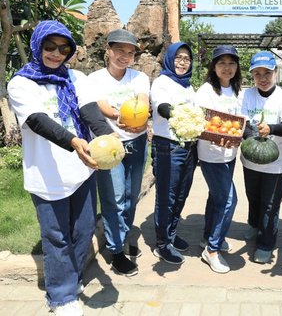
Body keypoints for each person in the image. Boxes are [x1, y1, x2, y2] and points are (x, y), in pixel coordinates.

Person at [7, 21, 113, 316]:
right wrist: (74, 141)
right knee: (56, 236)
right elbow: (38, 121)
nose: (56, 53)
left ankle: (72, 277)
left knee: (82, 232)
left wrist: (107, 136)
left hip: (82, 172)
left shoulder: (76, 77)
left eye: (63, 47)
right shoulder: (21, 83)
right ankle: (61, 296)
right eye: (49, 46)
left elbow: (90, 112)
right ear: (37, 46)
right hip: (47, 174)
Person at [88, 29, 150, 277]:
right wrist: (117, 115)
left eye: (130, 52)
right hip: (109, 145)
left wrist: (141, 118)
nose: (124, 56)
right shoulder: (95, 79)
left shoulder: (139, 78)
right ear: (108, 51)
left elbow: (143, 101)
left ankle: (123, 236)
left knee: (130, 195)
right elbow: (100, 104)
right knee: (113, 196)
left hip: (137, 142)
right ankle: (115, 251)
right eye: (119, 51)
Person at [240, 51, 282, 264]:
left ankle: (266, 244)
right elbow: (242, 123)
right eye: (257, 74)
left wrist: (270, 128)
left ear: (275, 72)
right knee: (253, 196)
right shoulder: (246, 95)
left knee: (270, 204)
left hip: (277, 162)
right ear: (252, 75)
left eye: (267, 73)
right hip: (250, 159)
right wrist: (250, 131)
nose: (262, 78)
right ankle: (254, 225)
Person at [196, 45, 242, 273]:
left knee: (216, 198)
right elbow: (201, 121)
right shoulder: (206, 90)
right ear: (213, 66)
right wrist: (218, 134)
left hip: (229, 154)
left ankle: (208, 236)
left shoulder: (235, 90)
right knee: (229, 200)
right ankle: (212, 250)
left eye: (231, 63)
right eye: (221, 63)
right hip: (211, 155)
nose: (227, 67)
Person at [150, 42, 197, 265]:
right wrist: (180, 115)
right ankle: (161, 244)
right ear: (170, 59)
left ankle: (171, 233)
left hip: (188, 147)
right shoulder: (162, 82)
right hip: (168, 147)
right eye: (178, 57)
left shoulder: (188, 87)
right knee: (166, 197)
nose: (182, 62)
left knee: (181, 194)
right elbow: (162, 107)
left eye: (186, 58)